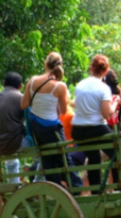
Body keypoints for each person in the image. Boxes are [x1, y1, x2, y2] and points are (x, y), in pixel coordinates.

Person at [20, 52, 82, 188]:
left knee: (47, 158)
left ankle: (55, 187)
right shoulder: (60, 86)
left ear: (46, 64)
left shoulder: (32, 81)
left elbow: (23, 105)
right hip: (53, 128)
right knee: (65, 158)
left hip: (37, 129)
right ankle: (77, 187)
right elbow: (64, 111)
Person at [71, 55, 121, 195]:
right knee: (118, 153)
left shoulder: (80, 85)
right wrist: (115, 103)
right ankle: (118, 189)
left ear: (91, 68)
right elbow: (107, 114)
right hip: (96, 128)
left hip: (78, 130)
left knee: (94, 158)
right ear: (106, 71)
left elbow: (74, 103)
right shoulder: (103, 88)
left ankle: (95, 192)